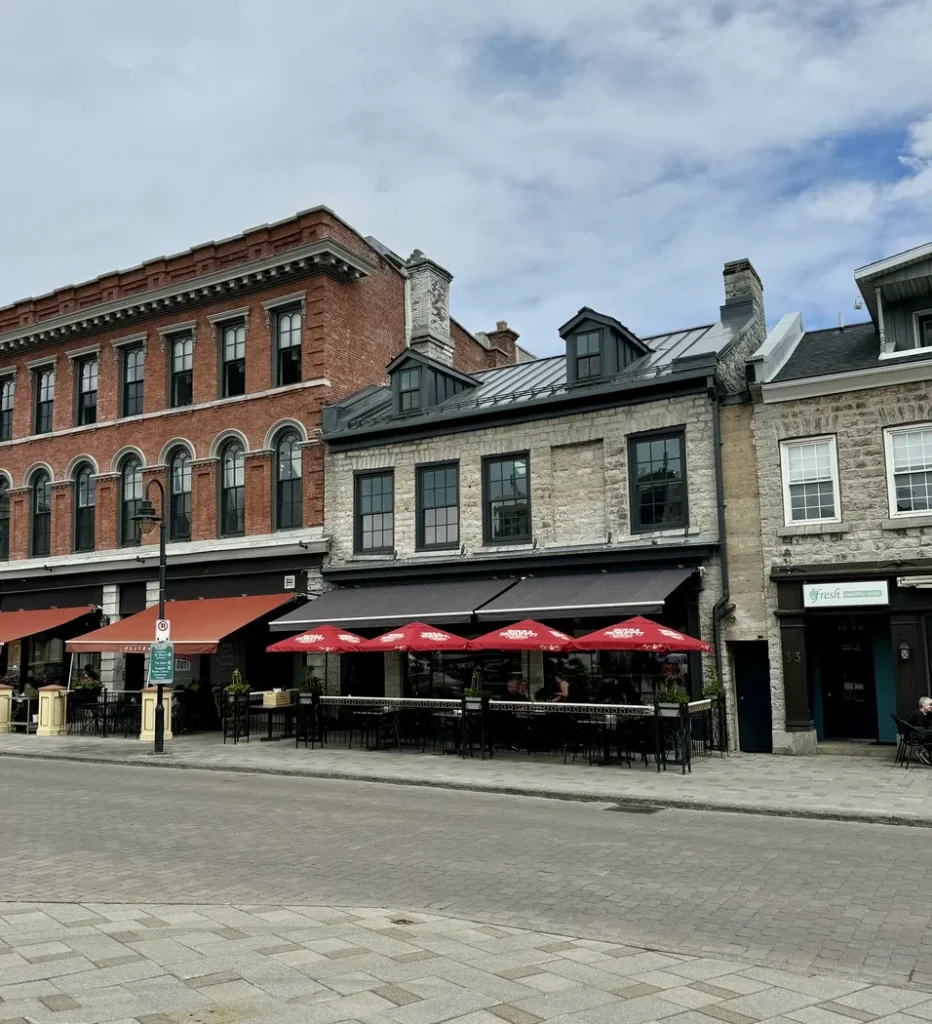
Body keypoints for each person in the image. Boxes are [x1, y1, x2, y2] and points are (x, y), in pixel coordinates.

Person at [908, 696, 932, 765]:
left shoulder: (927, 713)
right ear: (923, 705)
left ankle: (922, 751)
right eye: (929, 705)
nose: (931, 706)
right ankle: (923, 751)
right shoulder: (917, 714)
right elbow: (922, 728)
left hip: (923, 733)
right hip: (916, 735)